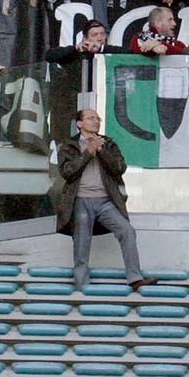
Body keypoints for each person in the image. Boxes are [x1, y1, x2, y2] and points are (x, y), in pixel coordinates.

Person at [53, 108, 145, 293]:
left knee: (127, 231)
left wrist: (101, 150)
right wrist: (88, 152)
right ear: (79, 124)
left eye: (98, 118)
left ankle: (135, 278)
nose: (96, 121)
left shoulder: (108, 144)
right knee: (81, 241)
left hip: (105, 201)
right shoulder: (69, 146)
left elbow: (119, 168)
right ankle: (81, 285)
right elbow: (67, 172)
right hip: (80, 200)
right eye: (91, 118)